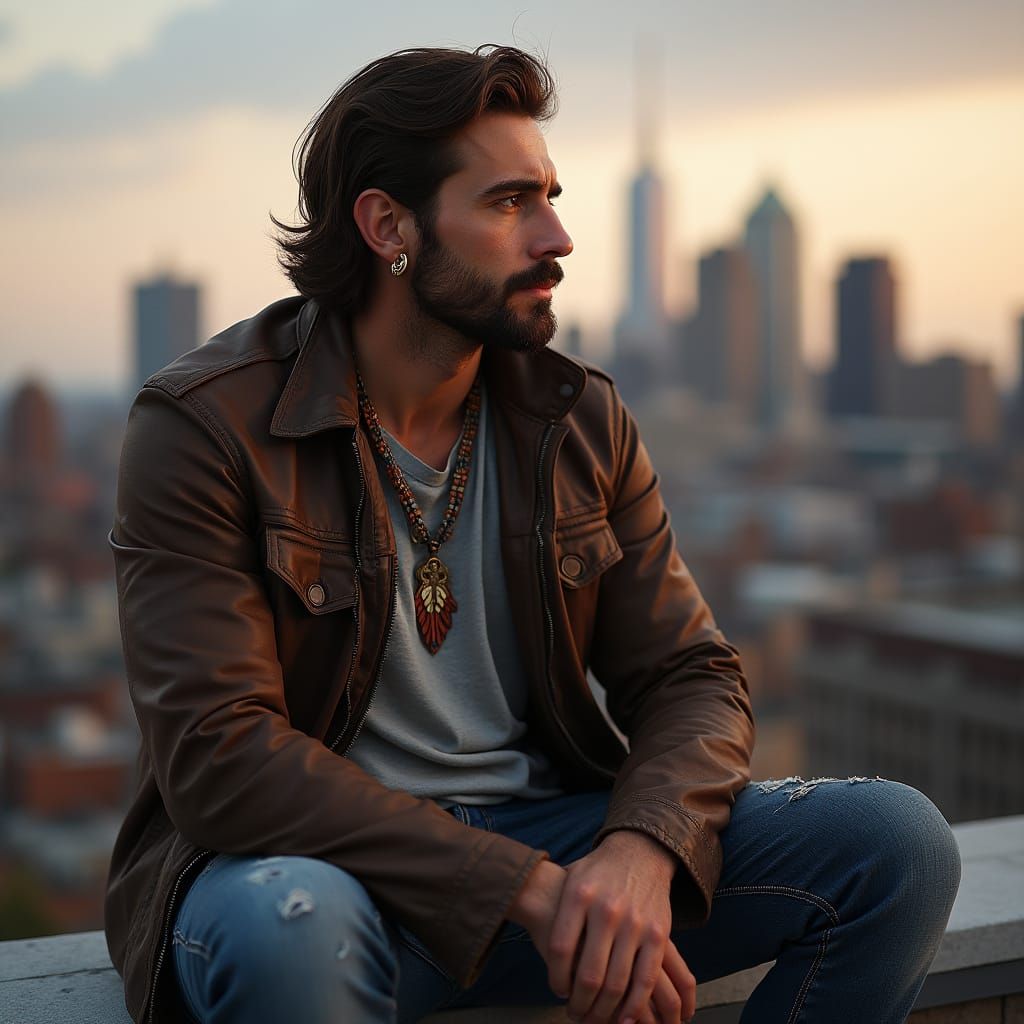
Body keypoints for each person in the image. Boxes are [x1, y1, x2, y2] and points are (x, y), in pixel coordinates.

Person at [105, 45, 960, 1024]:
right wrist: (523, 886)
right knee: (292, 926)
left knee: (897, 843)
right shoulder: (203, 424)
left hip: (551, 852)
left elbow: (692, 676)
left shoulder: (576, 418)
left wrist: (642, 848)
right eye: (511, 203)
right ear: (389, 226)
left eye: (551, 196)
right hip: (317, 877)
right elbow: (219, 754)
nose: (556, 236)